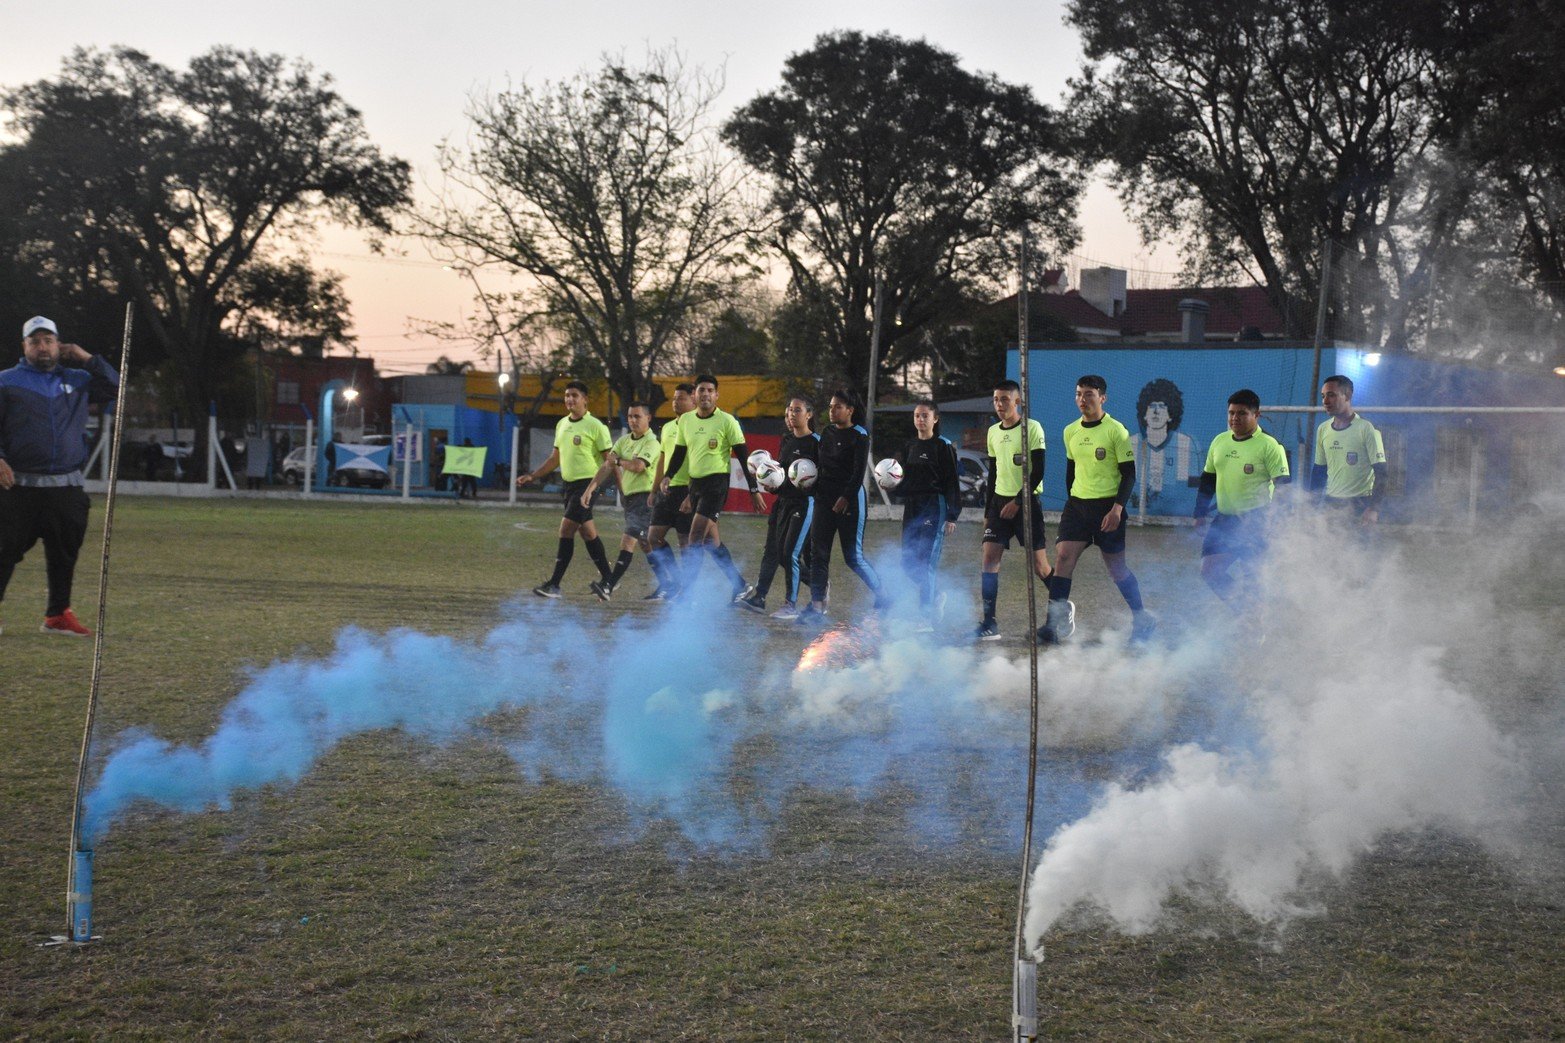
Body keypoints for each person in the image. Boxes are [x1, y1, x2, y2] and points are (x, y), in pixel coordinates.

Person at [0, 315, 120, 636]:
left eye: (49, 340)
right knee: (3, 552)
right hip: (17, 488)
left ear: (59, 344)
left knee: (64, 554)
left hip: (66, 488)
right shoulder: (6, 381)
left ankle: (57, 616)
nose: (43, 347)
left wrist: (86, 357)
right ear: (24, 346)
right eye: (35, 341)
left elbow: (116, 388)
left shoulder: (78, 379)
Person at [1047, 375, 1155, 643]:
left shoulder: (1116, 430)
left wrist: (1117, 509)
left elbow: (1129, 475)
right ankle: (1052, 625)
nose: (1083, 399)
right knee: (1062, 559)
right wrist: (1073, 500)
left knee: (1117, 569)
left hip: (1108, 508)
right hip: (1077, 507)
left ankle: (1142, 618)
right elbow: (1071, 472)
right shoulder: (1070, 431)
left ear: (1102, 398)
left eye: (1089, 394)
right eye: (1079, 394)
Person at [655, 374, 765, 598]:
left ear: (716, 395)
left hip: (716, 484)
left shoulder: (727, 421)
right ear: (695, 395)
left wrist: (754, 490)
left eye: (709, 390)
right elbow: (679, 453)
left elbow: (744, 458)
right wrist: (668, 475)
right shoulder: (686, 421)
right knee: (709, 542)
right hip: (694, 485)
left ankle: (686, 594)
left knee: (694, 537)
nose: (705, 394)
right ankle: (740, 585)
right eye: (701, 390)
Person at [515, 381, 615, 597]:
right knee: (587, 533)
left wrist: (615, 489)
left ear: (585, 399)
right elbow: (554, 458)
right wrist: (533, 475)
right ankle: (610, 579)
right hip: (568, 486)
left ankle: (555, 584)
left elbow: (609, 462)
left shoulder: (596, 426)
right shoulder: (562, 424)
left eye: (575, 395)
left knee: (566, 529)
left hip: (588, 484)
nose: (570, 399)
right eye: (567, 395)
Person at [1195, 388, 1291, 610]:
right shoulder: (1219, 441)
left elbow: (1283, 487)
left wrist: (1275, 519)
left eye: (1241, 413)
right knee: (1209, 571)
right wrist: (1199, 513)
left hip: (1255, 520)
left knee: (1253, 578)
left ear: (1256, 415)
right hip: (1224, 520)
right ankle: (1245, 611)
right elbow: (1208, 479)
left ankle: (1255, 626)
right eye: (1231, 413)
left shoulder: (1269, 446)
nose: (1234, 418)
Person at [798, 389, 887, 626]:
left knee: (852, 557)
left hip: (850, 501)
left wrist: (846, 497)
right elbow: (819, 466)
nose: (832, 410)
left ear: (850, 410)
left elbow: (858, 473)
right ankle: (817, 608)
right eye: (830, 406)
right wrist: (809, 486)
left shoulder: (860, 435)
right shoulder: (826, 433)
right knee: (818, 553)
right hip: (824, 500)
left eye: (838, 406)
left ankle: (884, 595)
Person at [975, 379, 1052, 641]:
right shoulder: (993, 432)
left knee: (1040, 567)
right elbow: (993, 472)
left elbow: (1038, 470)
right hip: (998, 504)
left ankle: (1060, 611)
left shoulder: (1032, 428)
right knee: (989, 560)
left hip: (1027, 505)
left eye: (1005, 399)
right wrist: (989, 510)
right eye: (996, 399)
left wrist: (1019, 501)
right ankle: (989, 623)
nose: (999, 404)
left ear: (1017, 402)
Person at [736, 394, 819, 619]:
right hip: (783, 503)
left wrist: (808, 484)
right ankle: (763, 597)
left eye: (797, 410)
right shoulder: (787, 440)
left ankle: (792, 604)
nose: (791, 414)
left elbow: (819, 480)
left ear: (809, 414)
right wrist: (769, 483)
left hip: (804, 504)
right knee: (776, 553)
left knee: (789, 554)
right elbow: (781, 476)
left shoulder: (816, 443)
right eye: (790, 410)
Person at [582, 402, 662, 601]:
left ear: (648, 418)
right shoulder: (624, 441)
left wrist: (617, 461)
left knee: (628, 540)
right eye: (630, 416)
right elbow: (607, 466)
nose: (633, 420)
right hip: (630, 499)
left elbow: (638, 466)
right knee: (645, 543)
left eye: (637, 416)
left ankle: (609, 585)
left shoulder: (652, 442)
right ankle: (669, 584)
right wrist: (591, 488)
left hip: (646, 498)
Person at [894, 399, 960, 622]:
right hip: (912, 506)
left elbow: (952, 481)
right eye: (916, 416)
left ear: (935, 418)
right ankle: (936, 594)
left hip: (934, 505)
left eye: (924, 415)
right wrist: (891, 484)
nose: (920, 419)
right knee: (907, 562)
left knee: (925, 561)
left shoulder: (943, 445)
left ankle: (925, 617)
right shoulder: (908, 446)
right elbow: (901, 479)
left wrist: (952, 515)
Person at [643, 382, 696, 600]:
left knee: (685, 542)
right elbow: (662, 460)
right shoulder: (667, 428)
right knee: (653, 537)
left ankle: (688, 590)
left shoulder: (695, 425)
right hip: (667, 491)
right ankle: (675, 581)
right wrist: (654, 489)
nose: (676, 402)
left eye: (681, 398)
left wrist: (693, 493)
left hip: (687, 489)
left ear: (693, 400)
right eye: (674, 398)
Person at [1312, 375, 1387, 525]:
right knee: (1327, 547)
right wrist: (1311, 507)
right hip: (1331, 503)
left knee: (1358, 548)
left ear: (1347, 395)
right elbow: (1319, 471)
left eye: (1331, 395)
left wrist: (1373, 508)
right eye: (1323, 396)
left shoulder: (1366, 429)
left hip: (1360, 504)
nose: (1325, 401)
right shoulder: (1323, 429)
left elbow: (1382, 473)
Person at [1131, 378, 1197, 512]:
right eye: (1152, 406)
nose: (1156, 411)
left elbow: (1190, 490)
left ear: (1170, 416)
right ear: (1144, 414)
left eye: (1162, 406)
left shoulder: (1185, 444)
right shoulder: (1131, 443)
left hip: (1174, 520)